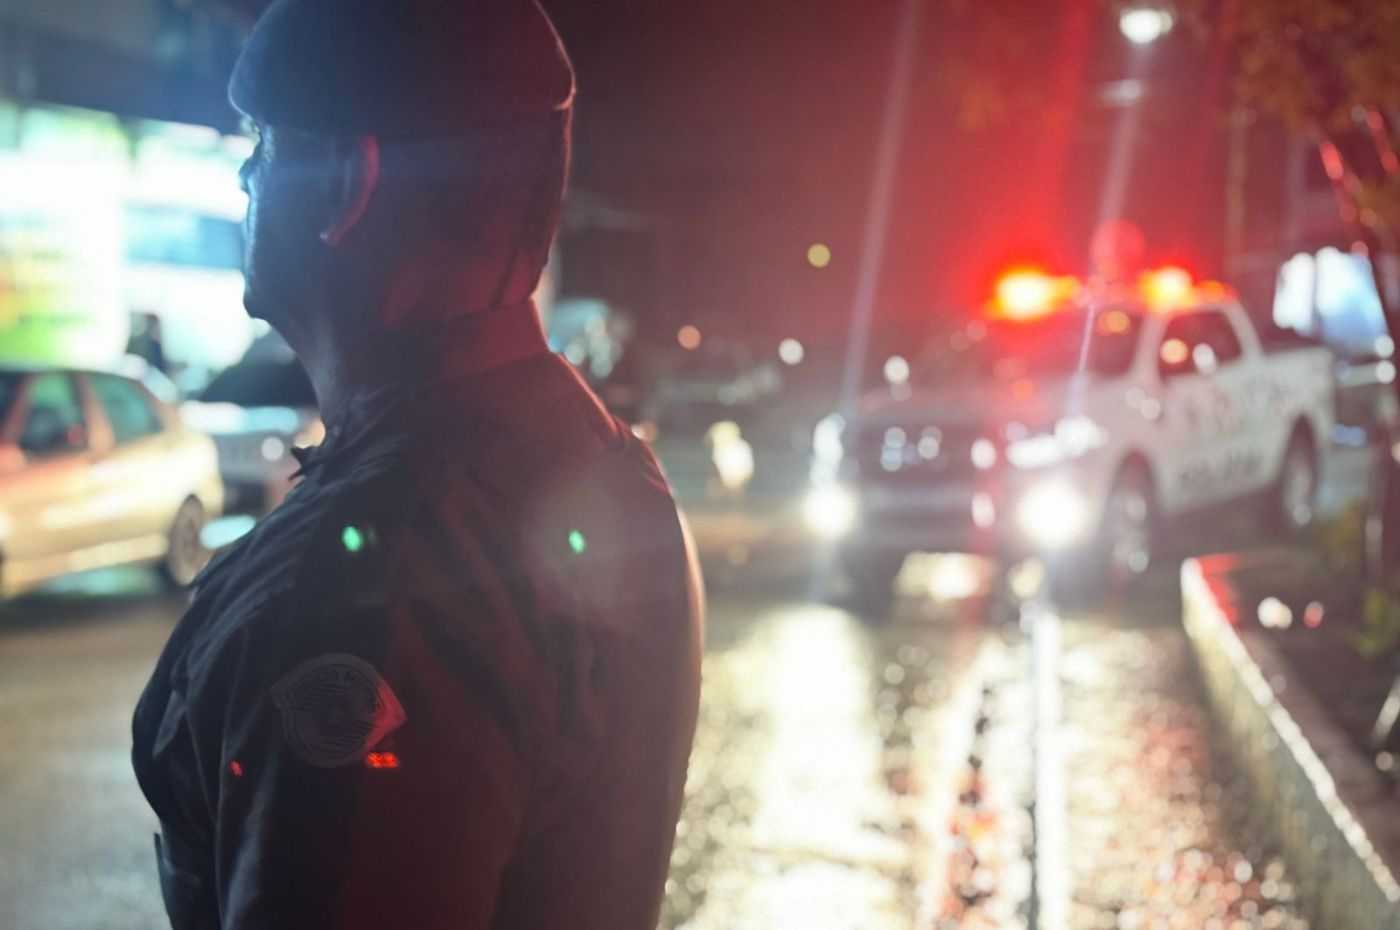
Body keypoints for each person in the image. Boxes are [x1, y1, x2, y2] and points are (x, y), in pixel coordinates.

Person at [131, 2, 705, 928]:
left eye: (265, 143)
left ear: (343, 187)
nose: (244, 174)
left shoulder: (356, 588)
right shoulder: (604, 466)